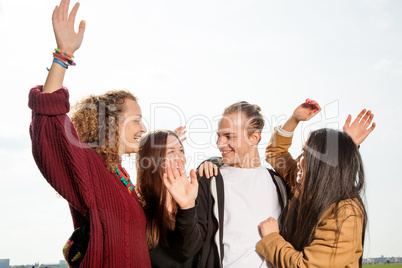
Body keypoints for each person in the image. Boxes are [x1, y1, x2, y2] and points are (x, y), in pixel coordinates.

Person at [28, 0, 151, 266]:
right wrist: (63, 55)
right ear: (111, 123)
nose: (143, 129)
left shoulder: (120, 175)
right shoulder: (90, 166)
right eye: (137, 120)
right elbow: (49, 125)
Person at [257, 99, 375, 268]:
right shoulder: (303, 185)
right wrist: (294, 120)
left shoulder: (346, 212)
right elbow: (276, 153)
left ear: (322, 165)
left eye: (306, 155)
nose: (299, 160)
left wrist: (271, 239)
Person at [196, 101, 288, 267]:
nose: (220, 143)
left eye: (229, 136)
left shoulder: (279, 184)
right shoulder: (210, 179)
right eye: (219, 136)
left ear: (254, 137)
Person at [136, 130, 214, 267]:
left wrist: (214, 162)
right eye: (171, 152)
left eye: (181, 150)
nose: (181, 158)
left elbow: (190, 249)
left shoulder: (195, 197)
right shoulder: (138, 209)